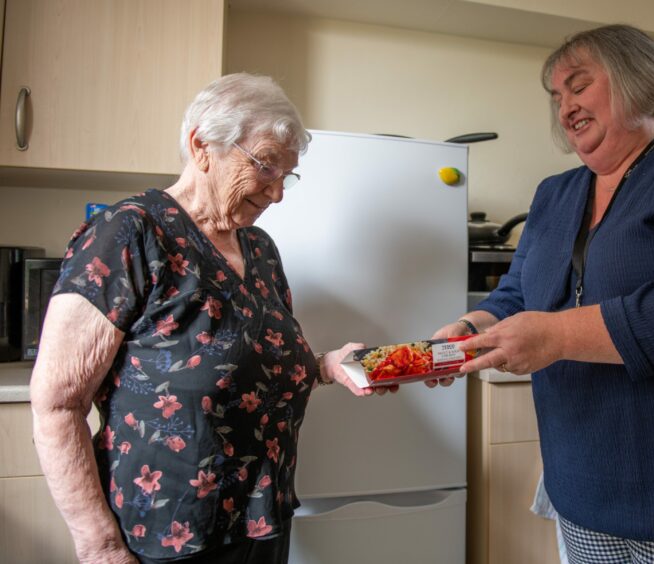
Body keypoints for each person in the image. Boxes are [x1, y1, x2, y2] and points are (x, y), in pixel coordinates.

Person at [29, 73, 414, 564]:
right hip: (167, 534)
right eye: (266, 168)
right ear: (202, 146)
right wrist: (99, 545)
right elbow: (58, 405)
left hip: (262, 522)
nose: (277, 195)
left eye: (286, 177)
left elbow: (253, 366)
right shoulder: (130, 232)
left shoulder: (260, 249)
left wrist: (326, 365)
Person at [436, 24, 654, 563]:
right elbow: (515, 292)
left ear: (637, 80)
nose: (564, 106)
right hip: (578, 476)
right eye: (556, 97)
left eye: (578, 85)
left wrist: (551, 336)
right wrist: (470, 328)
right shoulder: (553, 195)